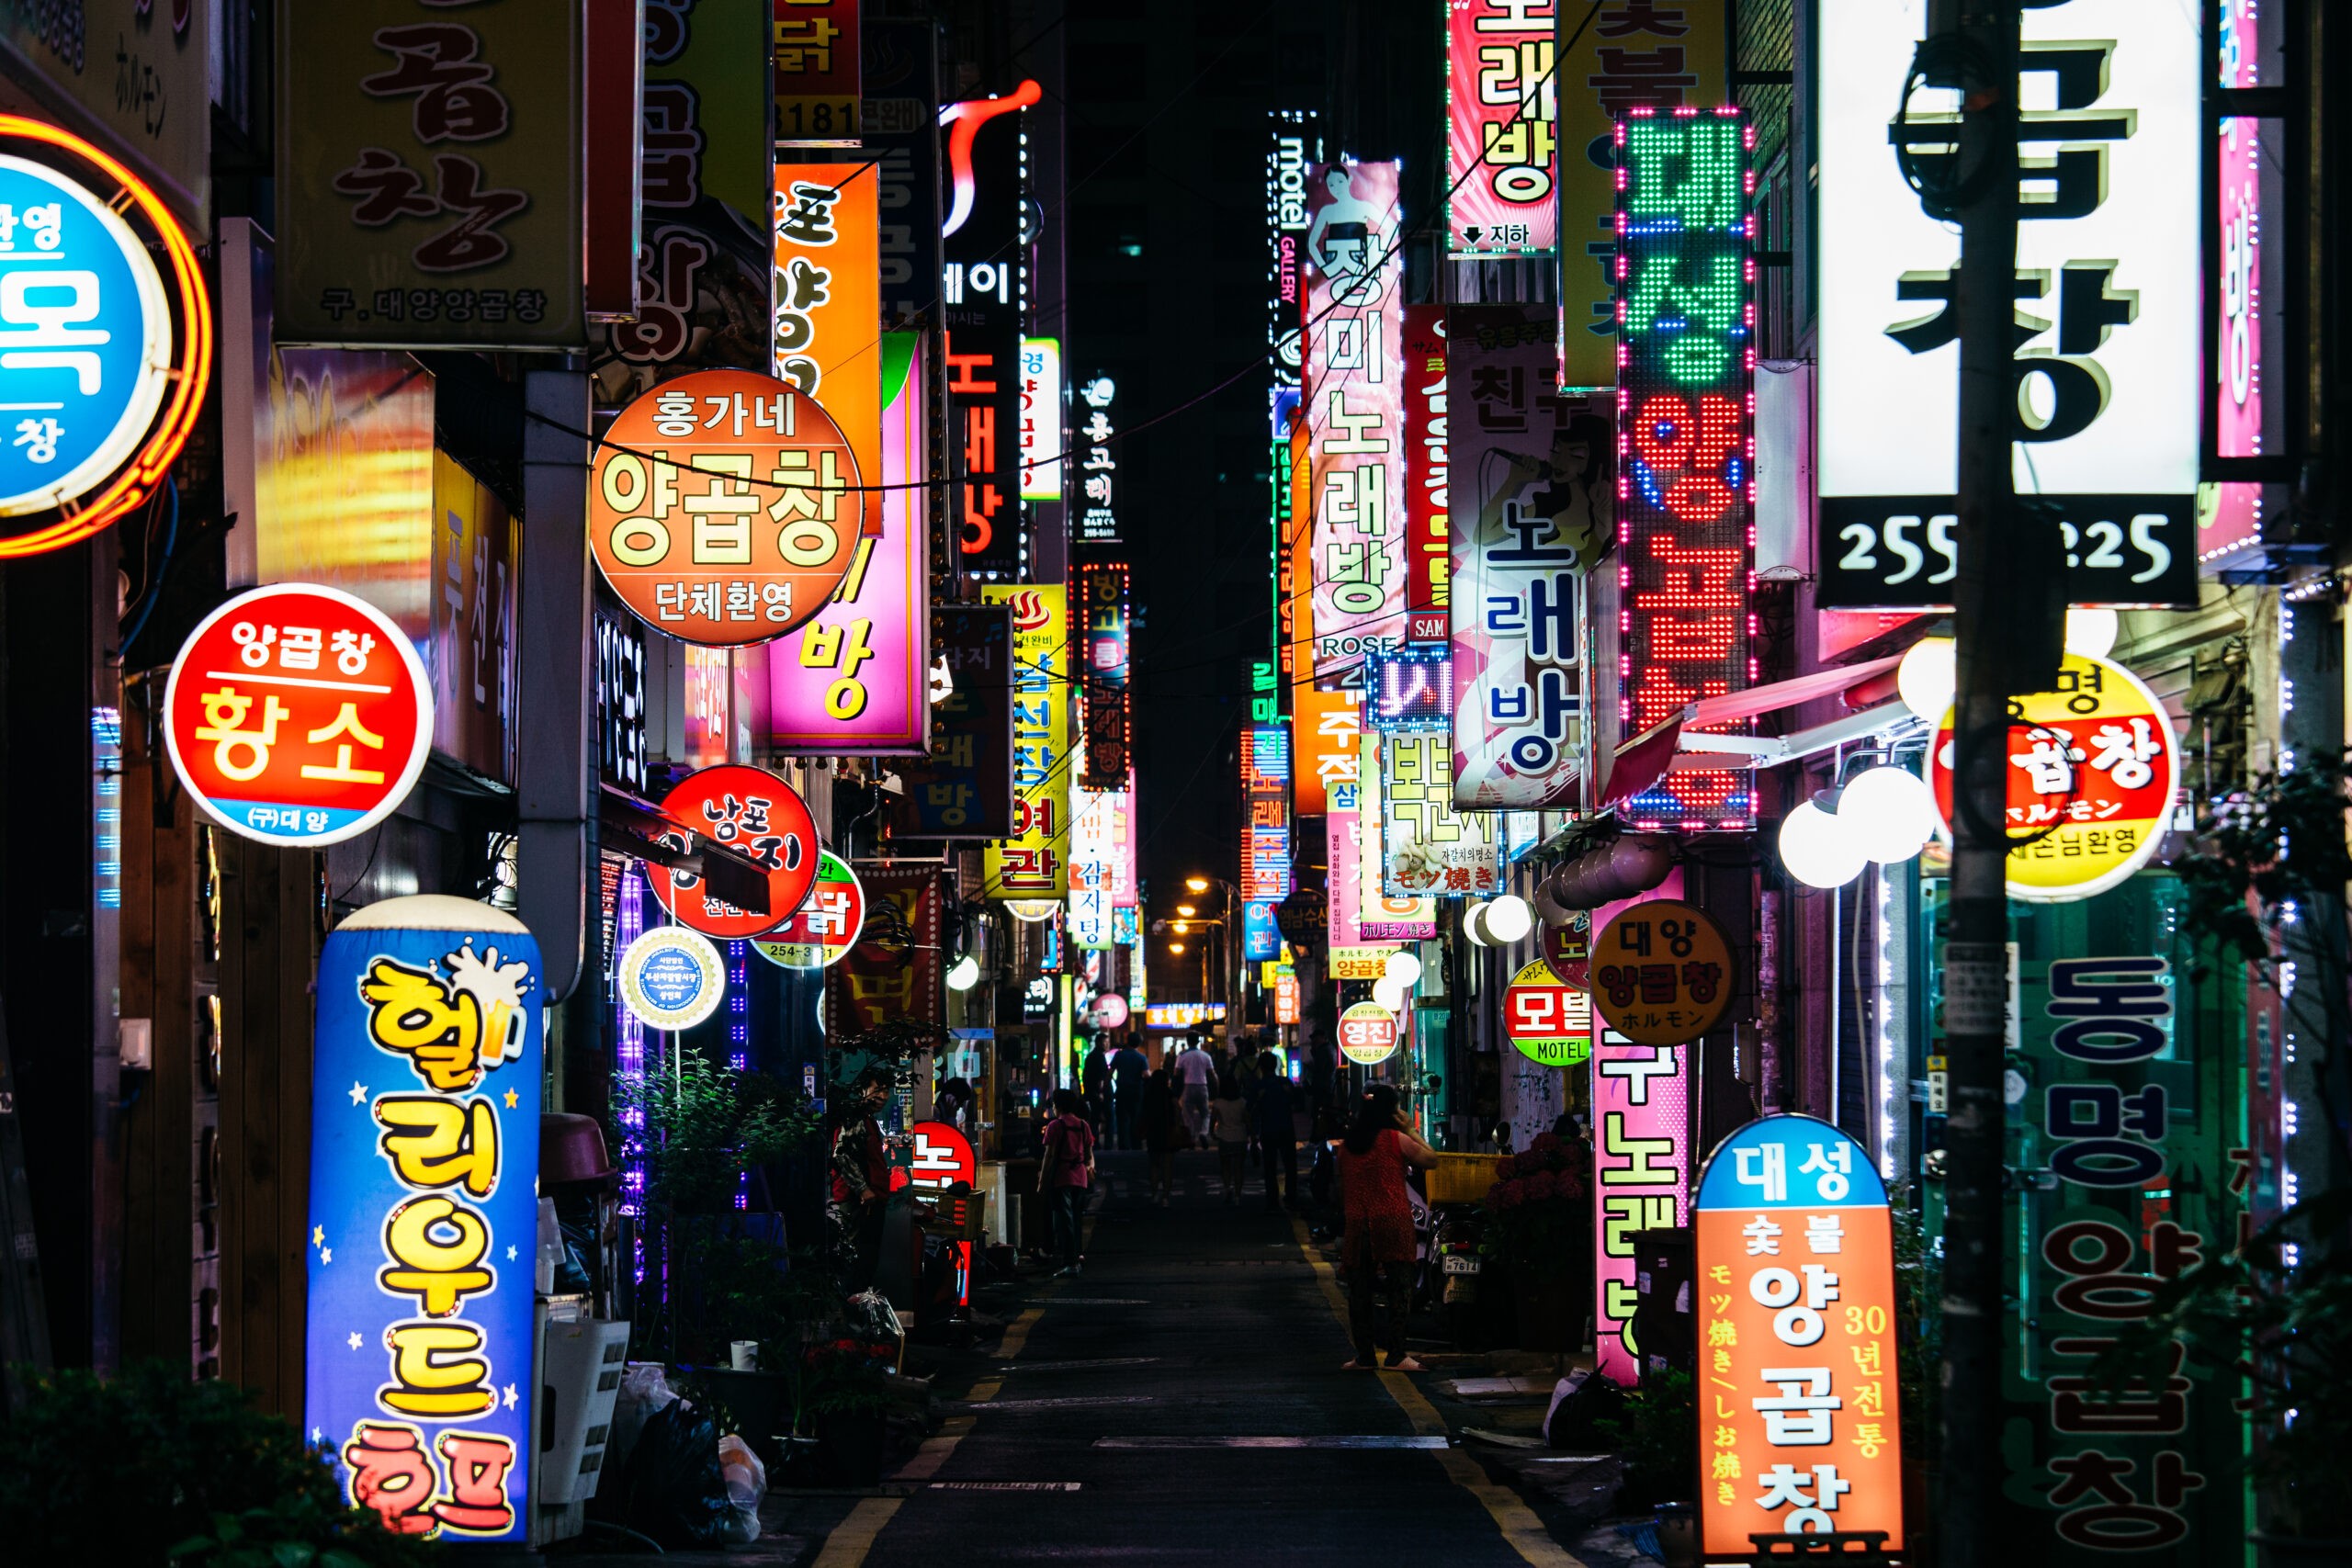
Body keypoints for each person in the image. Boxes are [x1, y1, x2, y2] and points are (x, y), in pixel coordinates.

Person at [1337, 1084, 1438, 1372]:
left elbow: (1340, 1186)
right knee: (1399, 1288)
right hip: (1393, 1219)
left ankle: (1365, 1356)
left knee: (1359, 1292)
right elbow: (1432, 1160)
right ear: (1392, 1113)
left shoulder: (1347, 1146)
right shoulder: (1395, 1139)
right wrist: (1410, 1129)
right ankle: (1396, 1354)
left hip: (1358, 1223)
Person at [825, 1067, 894, 1292]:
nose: (883, 1096)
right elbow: (841, 1155)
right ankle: (849, 1312)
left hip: (870, 1203)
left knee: (866, 1259)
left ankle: (857, 1311)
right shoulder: (855, 1117)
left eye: (886, 1091)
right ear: (863, 1090)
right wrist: (864, 1190)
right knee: (856, 1259)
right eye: (877, 1090)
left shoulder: (867, 1119)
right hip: (858, 1204)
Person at [1038, 1089, 1097, 1277]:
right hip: (1080, 1178)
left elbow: (1049, 1156)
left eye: (1054, 1105)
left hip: (1062, 1178)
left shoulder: (1055, 1126)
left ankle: (1070, 1262)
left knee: (1064, 1220)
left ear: (1059, 1106)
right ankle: (1075, 1256)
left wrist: (1042, 1182)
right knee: (1074, 1218)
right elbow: (1088, 1155)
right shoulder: (1083, 1125)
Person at [1255, 1053, 1299, 1211]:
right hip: (1286, 1128)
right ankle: (1291, 1196)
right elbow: (1295, 1102)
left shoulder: (1260, 1086)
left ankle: (1272, 1200)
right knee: (1290, 1165)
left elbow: (1254, 1108)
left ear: (1261, 1067)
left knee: (1269, 1166)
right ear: (1275, 1065)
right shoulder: (1285, 1082)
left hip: (1268, 1129)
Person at [1209, 1069, 1250, 1204]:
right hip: (1240, 1137)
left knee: (1225, 1166)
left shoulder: (1218, 1103)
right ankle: (1238, 1196)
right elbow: (1247, 1120)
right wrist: (1251, 1134)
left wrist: (1211, 1132)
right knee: (1239, 1168)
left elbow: (1213, 1119)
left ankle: (1227, 1188)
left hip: (1224, 1138)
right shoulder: (1241, 1102)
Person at [1140, 1066, 1179, 1205]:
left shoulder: (1149, 1094)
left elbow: (1144, 1113)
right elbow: (1176, 1109)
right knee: (1168, 1167)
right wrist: (1177, 1124)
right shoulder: (1169, 1093)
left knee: (1154, 1165)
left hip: (1153, 1131)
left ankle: (1155, 1193)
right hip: (1168, 1131)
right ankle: (1166, 1197)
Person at [1175, 1033, 1216, 1144]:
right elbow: (1212, 1074)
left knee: (1187, 1114)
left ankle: (1191, 1137)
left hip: (1188, 1086)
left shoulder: (1182, 1055)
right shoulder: (1205, 1056)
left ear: (1187, 1042)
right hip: (1202, 1086)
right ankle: (1203, 1133)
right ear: (1198, 1042)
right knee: (1205, 1114)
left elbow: (1176, 1072)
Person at [1111, 1037, 1147, 1149]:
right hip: (1136, 1091)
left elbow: (1110, 1072)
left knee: (1122, 1119)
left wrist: (1112, 1082)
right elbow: (1146, 1074)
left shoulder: (1119, 1055)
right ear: (1138, 1044)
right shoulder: (1141, 1057)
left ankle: (1123, 1144)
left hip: (1121, 1090)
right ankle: (1136, 1143)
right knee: (1135, 1118)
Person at [1081, 1043, 1111, 1134]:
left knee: (1094, 1117)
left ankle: (1094, 1140)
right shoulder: (1099, 1057)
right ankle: (1106, 1143)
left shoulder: (1091, 1056)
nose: (1107, 1044)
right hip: (1098, 1093)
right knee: (1104, 1117)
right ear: (1100, 1042)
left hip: (1091, 1091)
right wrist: (1101, 1092)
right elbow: (1101, 1076)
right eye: (1105, 1042)